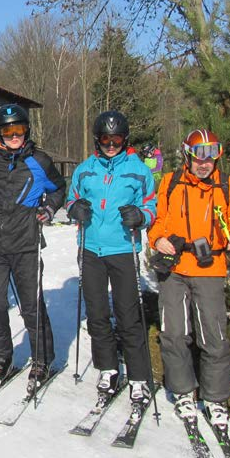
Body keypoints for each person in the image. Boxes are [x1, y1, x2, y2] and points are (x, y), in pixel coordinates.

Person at [148, 129, 230, 429]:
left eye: (212, 154)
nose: (205, 163)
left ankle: (216, 397)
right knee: (174, 333)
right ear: (188, 154)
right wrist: (158, 240)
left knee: (213, 335)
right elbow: (158, 222)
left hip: (211, 267)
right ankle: (182, 391)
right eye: (199, 155)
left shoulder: (227, 186)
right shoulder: (171, 182)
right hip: (176, 267)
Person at [66, 111, 157, 408]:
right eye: (105, 138)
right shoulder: (84, 169)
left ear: (125, 139)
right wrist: (74, 209)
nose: (111, 144)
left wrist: (141, 216)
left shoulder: (139, 170)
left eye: (116, 139)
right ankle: (108, 368)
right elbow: (71, 197)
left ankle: (140, 376)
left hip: (122, 249)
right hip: (91, 249)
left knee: (129, 313)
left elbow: (152, 206)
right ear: (97, 140)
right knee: (97, 313)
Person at [0, 104, 65, 390]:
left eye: (19, 130)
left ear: (28, 130)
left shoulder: (40, 160)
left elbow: (59, 188)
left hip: (26, 244)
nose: (14, 136)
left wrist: (49, 208)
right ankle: (1, 357)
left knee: (31, 306)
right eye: (8, 131)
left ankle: (42, 359)